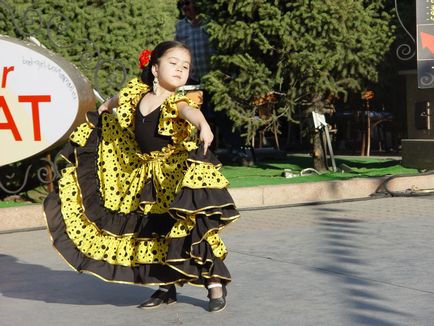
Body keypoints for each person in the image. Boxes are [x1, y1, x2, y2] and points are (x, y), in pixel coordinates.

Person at [43, 41, 239, 313]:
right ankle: (165, 287)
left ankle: (214, 284)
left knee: (191, 227)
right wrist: (104, 109)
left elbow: (190, 112)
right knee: (151, 229)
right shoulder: (136, 95)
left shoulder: (177, 101)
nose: (180, 69)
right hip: (143, 175)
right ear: (155, 68)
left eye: (186, 66)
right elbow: (116, 101)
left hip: (173, 173)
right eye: (173, 63)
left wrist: (203, 124)